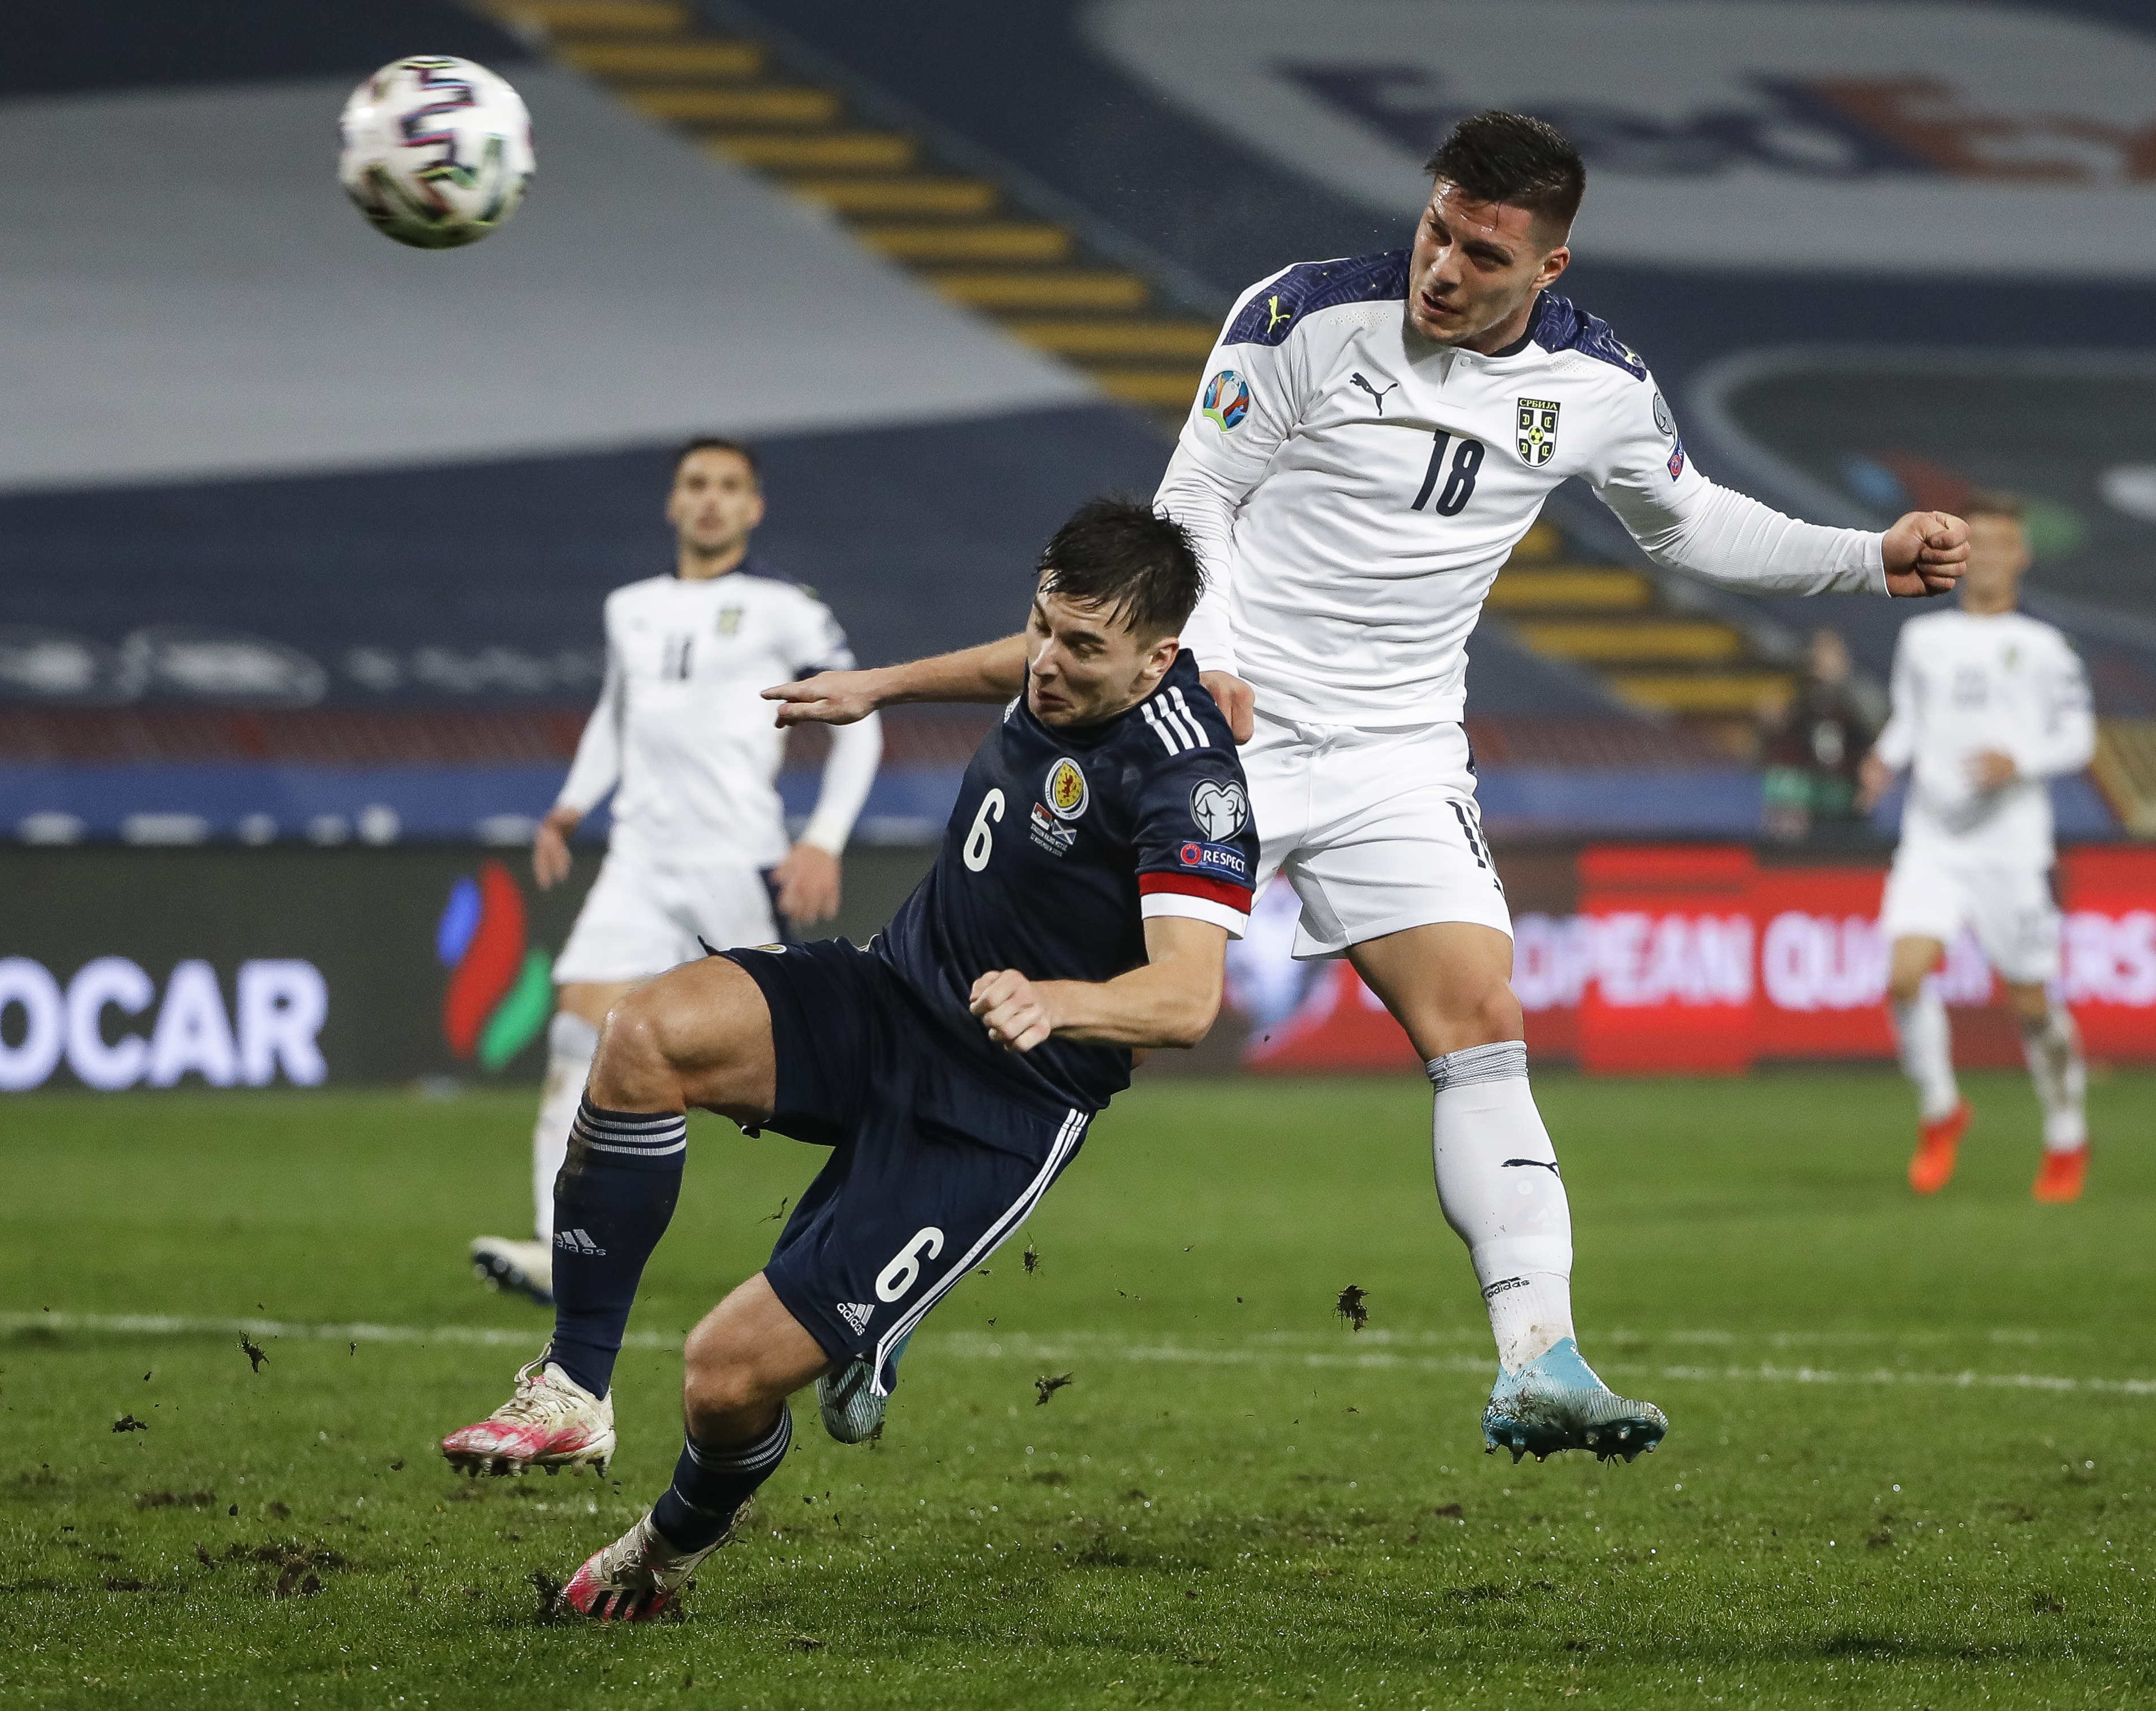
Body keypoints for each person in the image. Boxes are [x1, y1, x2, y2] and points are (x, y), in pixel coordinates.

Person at [774, 111, 1967, 1462]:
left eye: (1482, 252)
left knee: (1479, 1015)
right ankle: (869, 1289)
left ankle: (1539, 1358)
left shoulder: (1597, 390)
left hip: (1398, 750)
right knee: (1031, 1029)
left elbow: (1686, 519)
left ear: (1548, 268)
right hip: (1215, 732)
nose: (1443, 268)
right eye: (1435, 231)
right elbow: (1197, 496)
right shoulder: (1299, 318)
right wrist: (1208, 660)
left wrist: (1863, 558)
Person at [438, 499, 1257, 1619]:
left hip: (996, 1108)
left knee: (722, 1376)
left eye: (1079, 650)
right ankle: (573, 1383)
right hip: (889, 995)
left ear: (1159, 660)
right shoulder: (1064, 654)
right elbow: (1010, 659)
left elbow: (1187, 997)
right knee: (642, 1033)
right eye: (1042, 627)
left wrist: (1053, 999)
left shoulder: (1187, 780)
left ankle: (660, 1550)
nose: (1045, 665)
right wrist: (877, 686)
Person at [467, 437, 882, 1305]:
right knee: (580, 1026)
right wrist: (574, 804)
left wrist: (823, 839)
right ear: (673, 501)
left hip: (737, 861)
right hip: (640, 858)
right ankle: (559, 1247)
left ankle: (871, 1222)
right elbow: (615, 717)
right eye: (696, 484)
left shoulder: (782, 608)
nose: (711, 500)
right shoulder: (632, 607)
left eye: (729, 487)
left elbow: (862, 722)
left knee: (796, 1073)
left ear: (752, 508)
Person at [1857, 493, 2096, 1203]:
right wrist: (1882, 758)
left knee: (2031, 1007)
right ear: (1959, 553)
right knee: (1903, 978)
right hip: (1931, 839)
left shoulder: (2048, 647)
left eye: (2000, 543)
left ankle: (2065, 1132)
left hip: (2011, 849)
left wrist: (2016, 759)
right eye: (1977, 542)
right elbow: (1908, 718)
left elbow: (2077, 739)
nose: (1987, 554)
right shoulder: (1924, 638)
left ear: (2020, 555)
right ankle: (1941, 1110)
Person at [1760, 629, 1881, 844]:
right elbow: (1780, 755)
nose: (1833, 664)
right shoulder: (1799, 704)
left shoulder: (1857, 706)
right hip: (1810, 807)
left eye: (1837, 655)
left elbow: (1870, 748)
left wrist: (1868, 783)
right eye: (1824, 656)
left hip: (1847, 804)